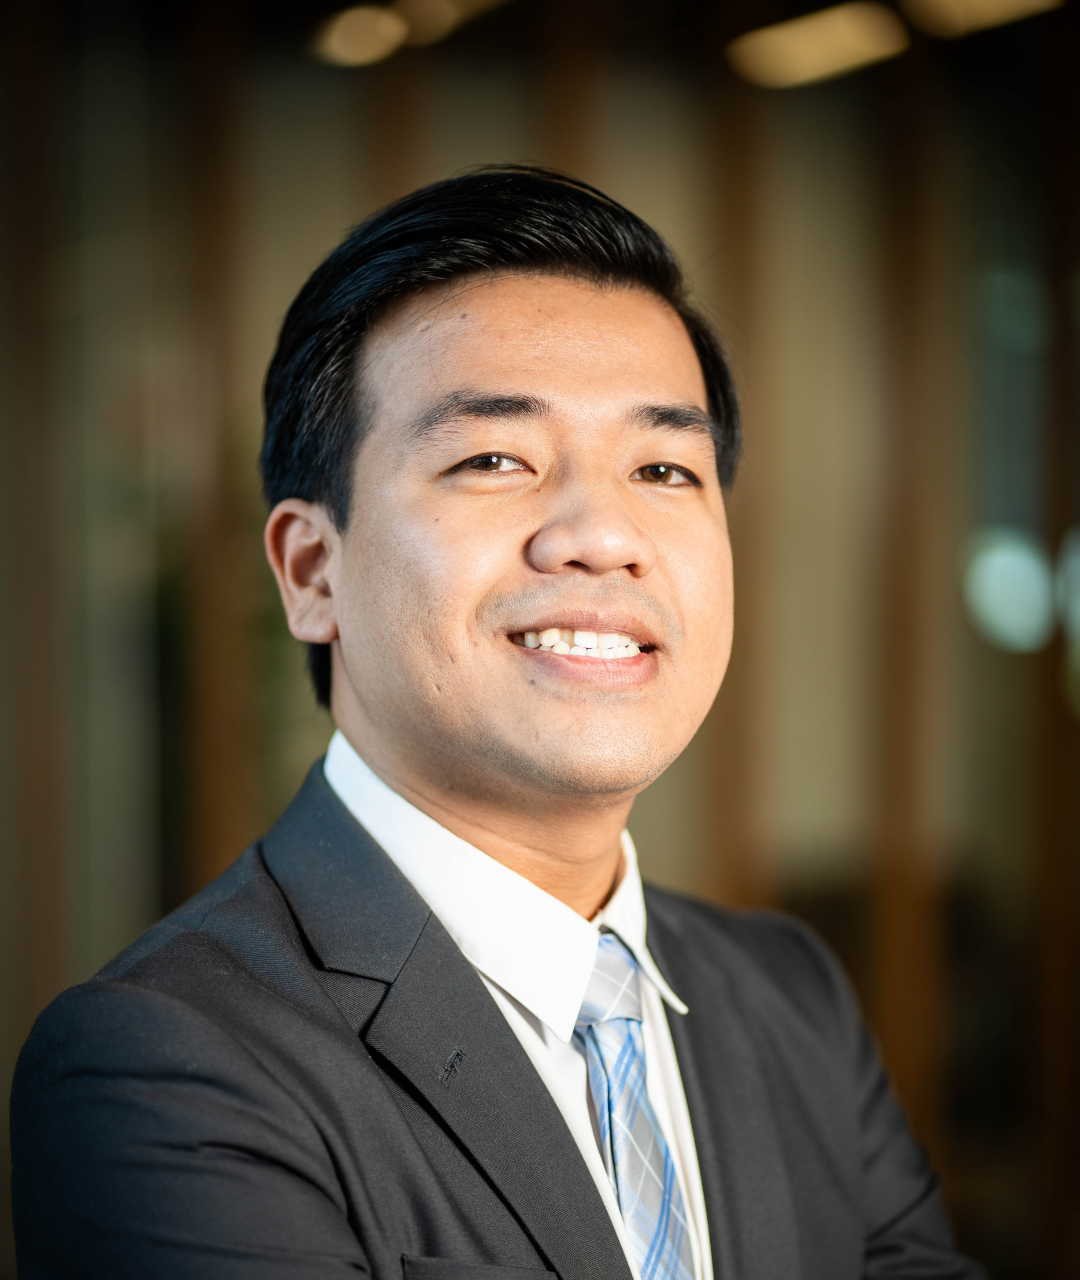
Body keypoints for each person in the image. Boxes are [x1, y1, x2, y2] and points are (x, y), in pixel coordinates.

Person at [11, 166, 982, 1280]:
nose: (600, 535)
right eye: (494, 460)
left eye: (664, 466)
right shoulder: (166, 1063)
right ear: (311, 570)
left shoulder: (789, 992)